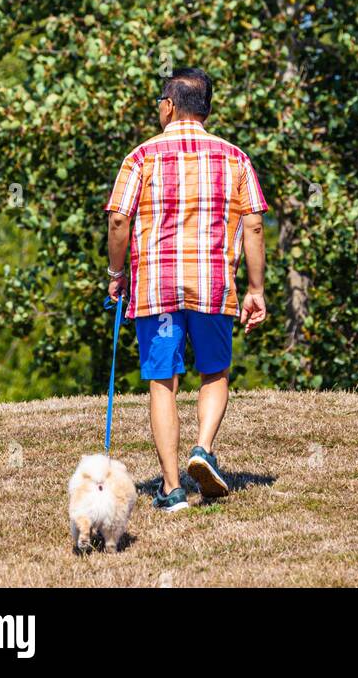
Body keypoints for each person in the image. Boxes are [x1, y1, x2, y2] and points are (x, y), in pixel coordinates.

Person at [105, 67, 268, 512]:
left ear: (170, 105)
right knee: (214, 371)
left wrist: (115, 274)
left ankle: (172, 487)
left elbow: (119, 219)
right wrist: (255, 288)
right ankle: (202, 447)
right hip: (214, 282)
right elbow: (253, 222)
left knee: (163, 380)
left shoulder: (141, 157)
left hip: (155, 285)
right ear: (207, 110)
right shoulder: (235, 157)